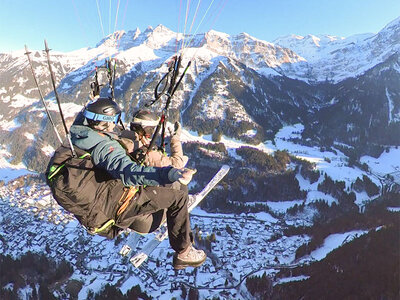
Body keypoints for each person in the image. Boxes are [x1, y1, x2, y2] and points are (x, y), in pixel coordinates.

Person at [46, 97, 206, 270]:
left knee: (163, 190)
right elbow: (129, 173)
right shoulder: (104, 148)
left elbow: (82, 119)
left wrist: (90, 104)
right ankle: (184, 252)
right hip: (124, 206)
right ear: (104, 123)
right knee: (179, 196)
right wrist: (172, 173)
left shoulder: (79, 133)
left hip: (105, 206)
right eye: (113, 121)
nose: (115, 125)